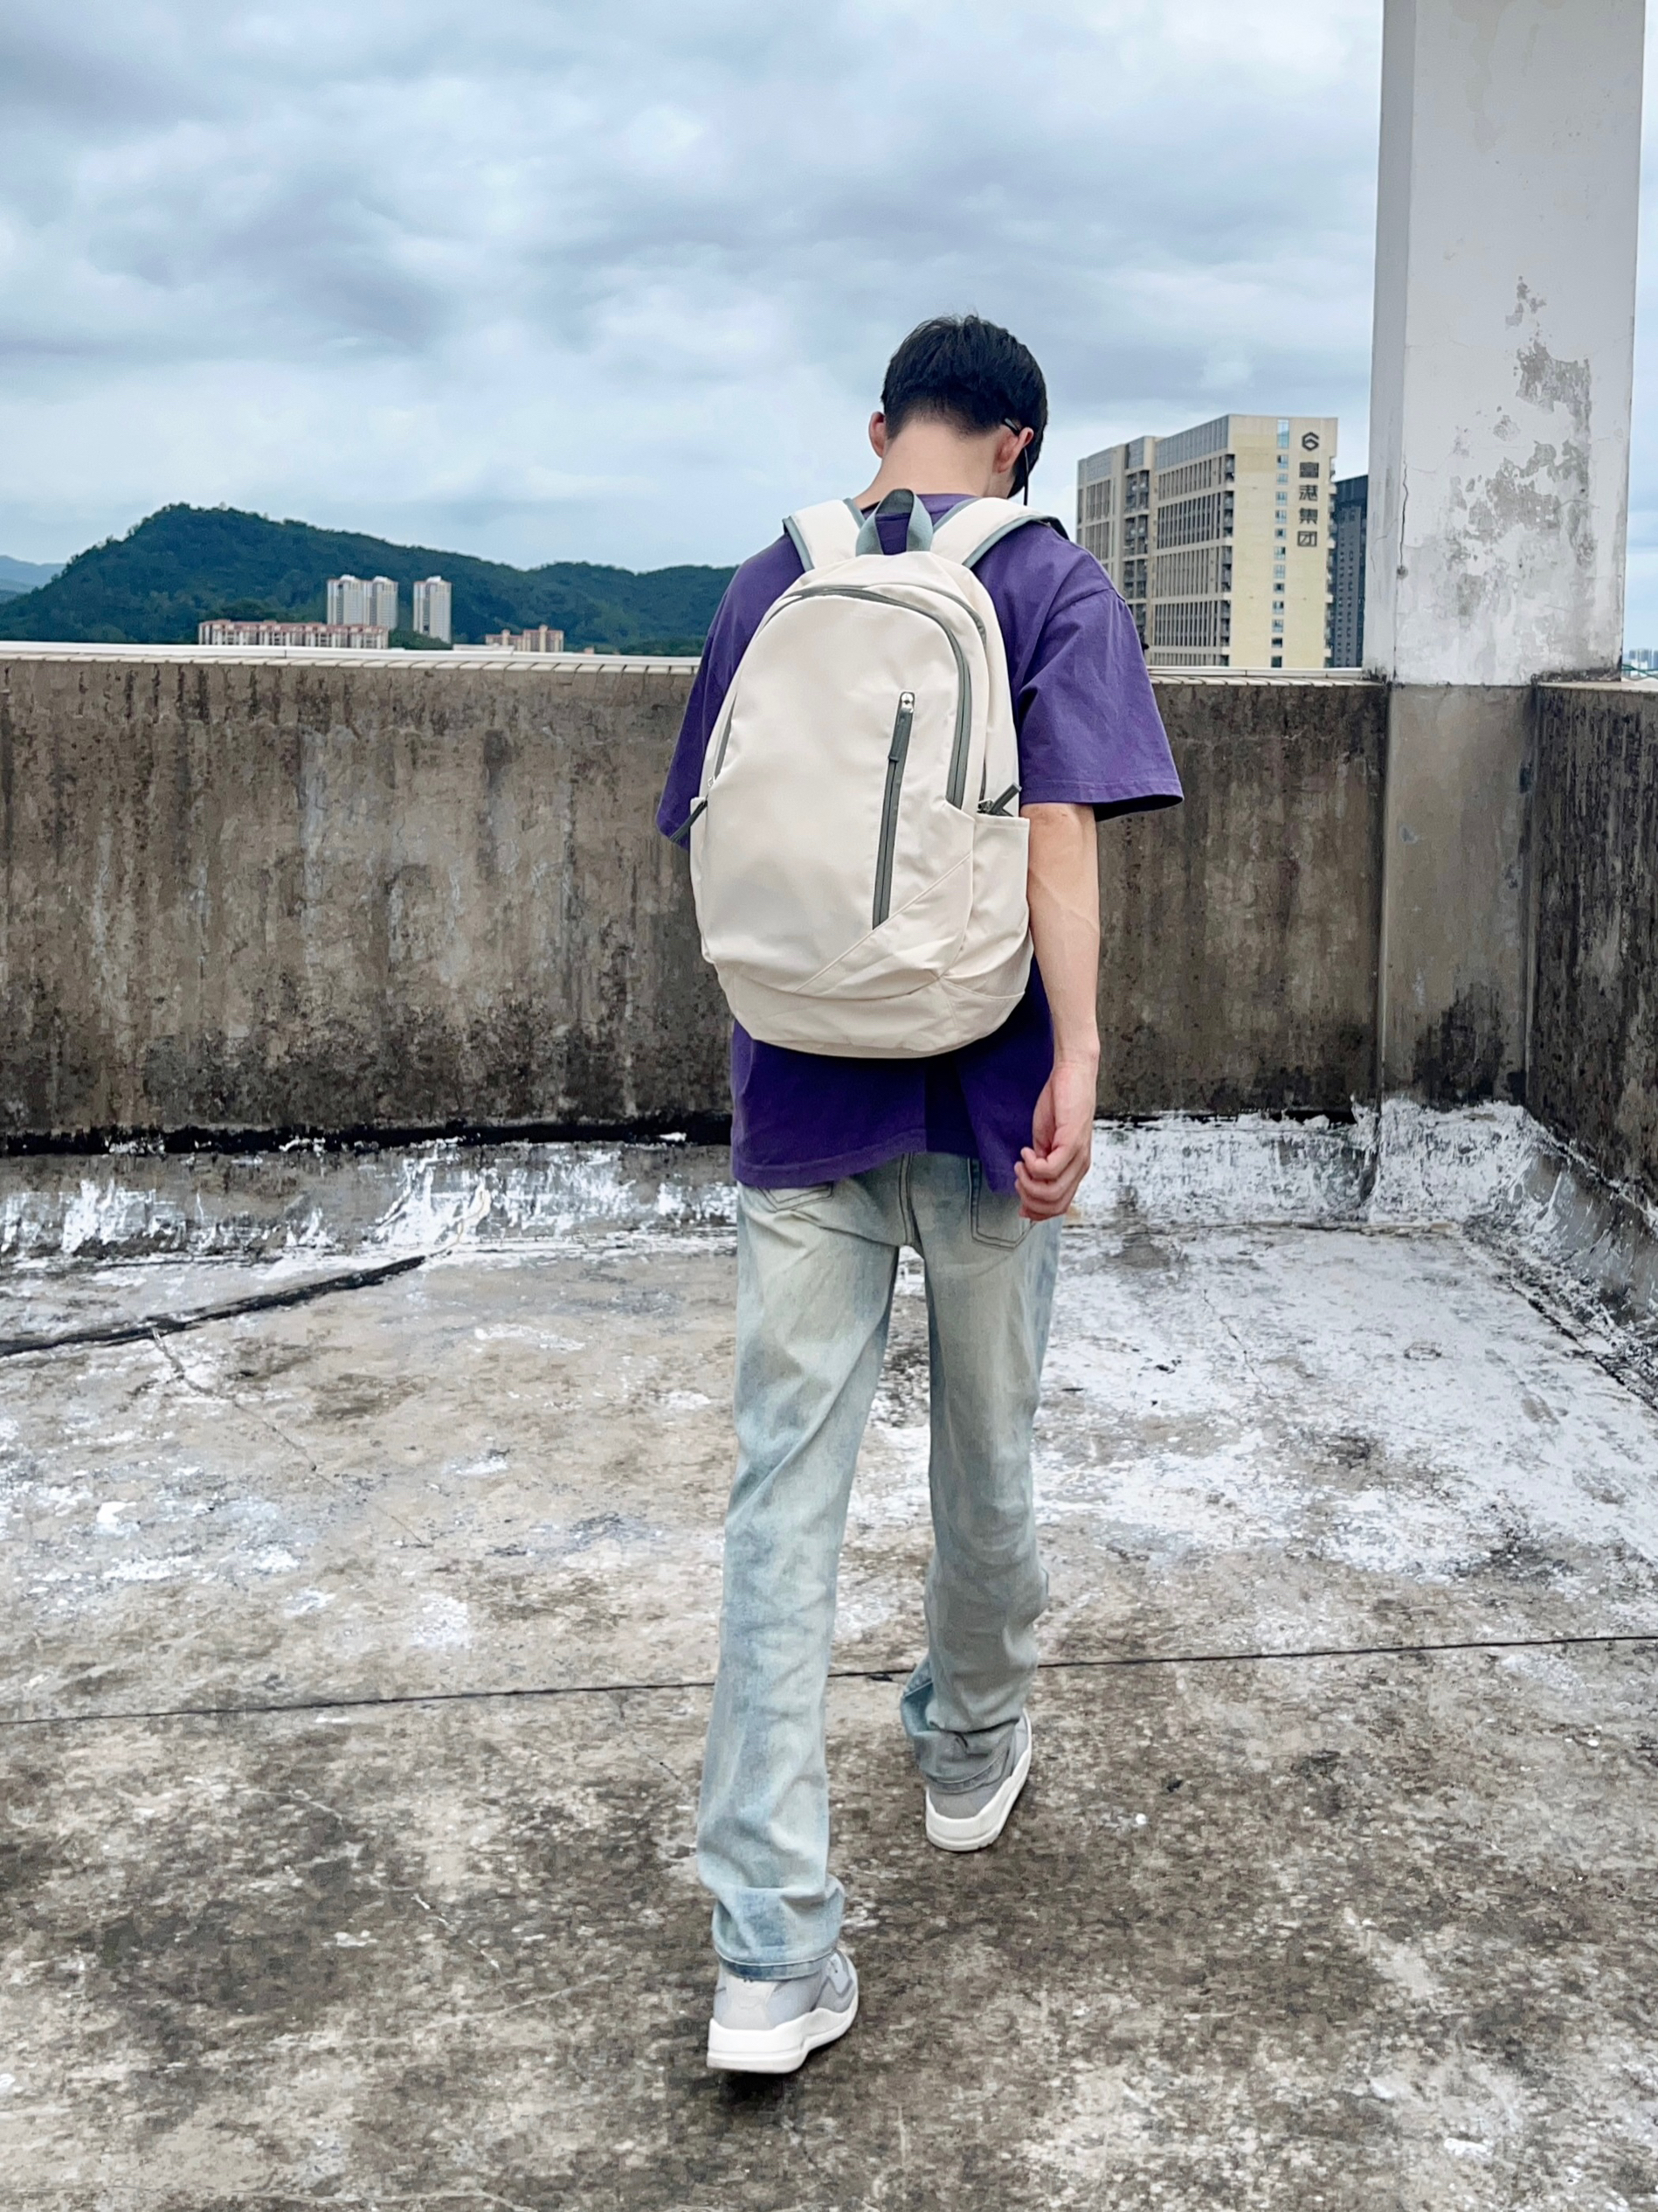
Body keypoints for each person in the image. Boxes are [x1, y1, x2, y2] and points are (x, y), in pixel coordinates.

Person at [656, 314, 1182, 2075]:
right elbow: (1060, 831)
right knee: (983, 1451)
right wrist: (1080, 1058)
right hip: (986, 1099)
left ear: (881, 426)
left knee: (779, 1505)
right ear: (1019, 440)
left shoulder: (771, 579)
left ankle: (766, 1953)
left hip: (800, 1094)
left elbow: (717, 831)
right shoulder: (1051, 583)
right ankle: (965, 1752)